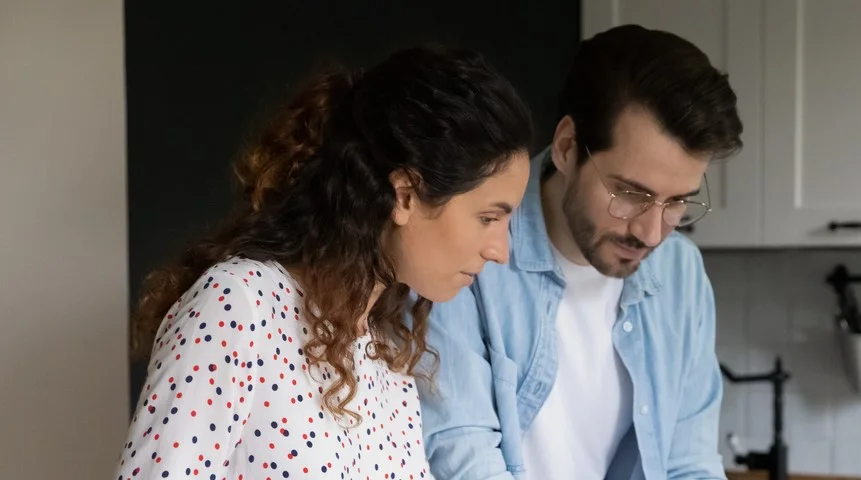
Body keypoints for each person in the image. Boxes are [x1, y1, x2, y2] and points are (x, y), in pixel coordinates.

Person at [115, 44, 534, 480]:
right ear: (405, 195)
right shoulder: (239, 308)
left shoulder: (386, 352)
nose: (500, 250)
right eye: (488, 218)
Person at [418, 25, 744, 479]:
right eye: (630, 192)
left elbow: (688, 463)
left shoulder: (681, 274)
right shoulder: (468, 251)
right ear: (568, 147)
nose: (651, 233)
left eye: (677, 202)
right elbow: (462, 454)